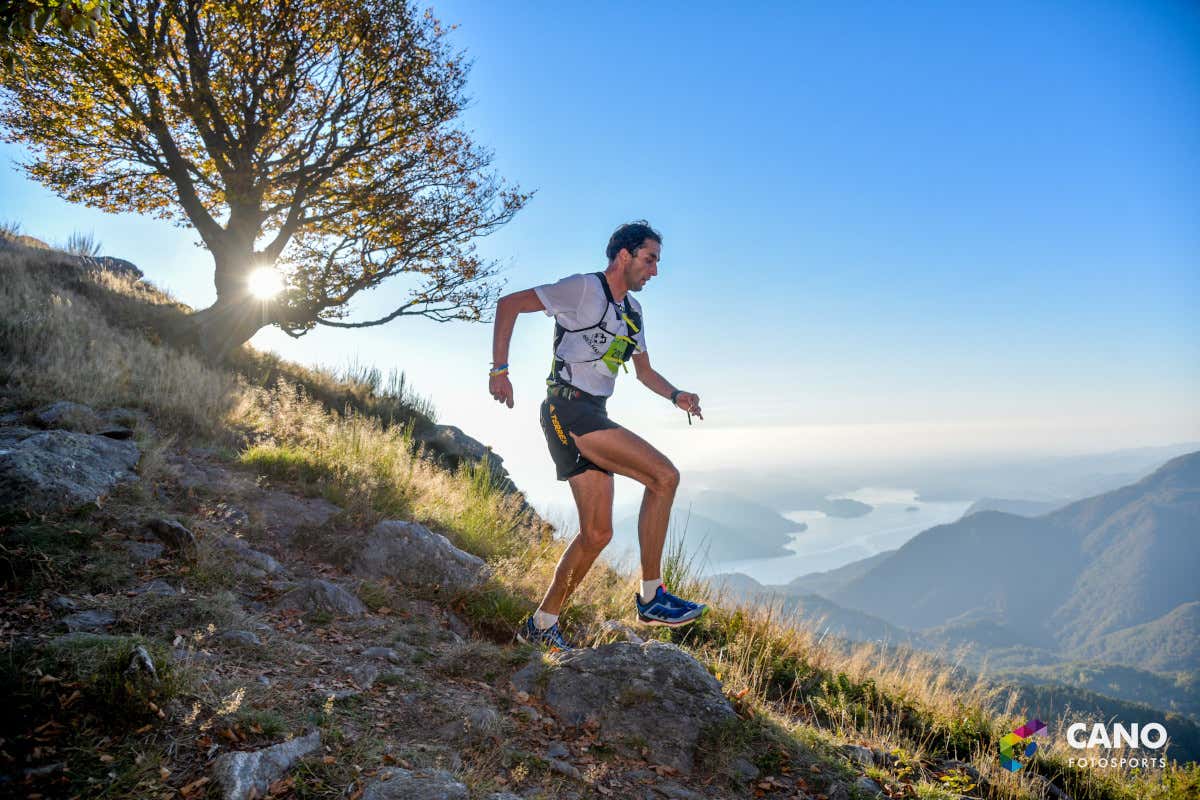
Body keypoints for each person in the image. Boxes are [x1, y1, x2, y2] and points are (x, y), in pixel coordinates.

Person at [488, 220, 708, 651]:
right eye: (650, 259)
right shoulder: (584, 289)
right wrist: (500, 371)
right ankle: (651, 596)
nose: (655, 271)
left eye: (657, 262)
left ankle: (541, 625)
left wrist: (676, 395)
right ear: (623, 255)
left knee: (597, 535)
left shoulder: (633, 313)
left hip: (590, 412)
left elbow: (643, 372)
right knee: (664, 477)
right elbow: (508, 304)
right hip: (568, 410)